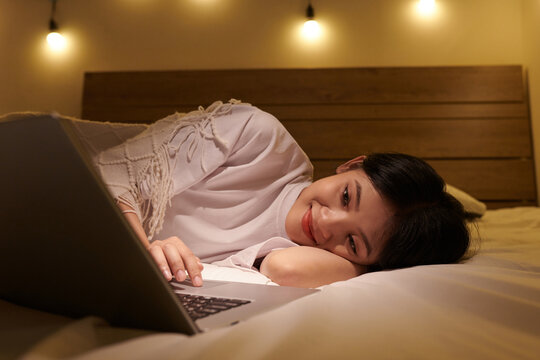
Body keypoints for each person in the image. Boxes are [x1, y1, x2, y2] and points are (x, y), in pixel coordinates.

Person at [95, 100, 470, 288]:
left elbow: (285, 270)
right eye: (346, 198)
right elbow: (108, 174)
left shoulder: (291, 253)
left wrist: (361, 265)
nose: (326, 225)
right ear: (353, 163)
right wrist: (141, 250)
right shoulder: (257, 138)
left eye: (353, 242)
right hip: (58, 169)